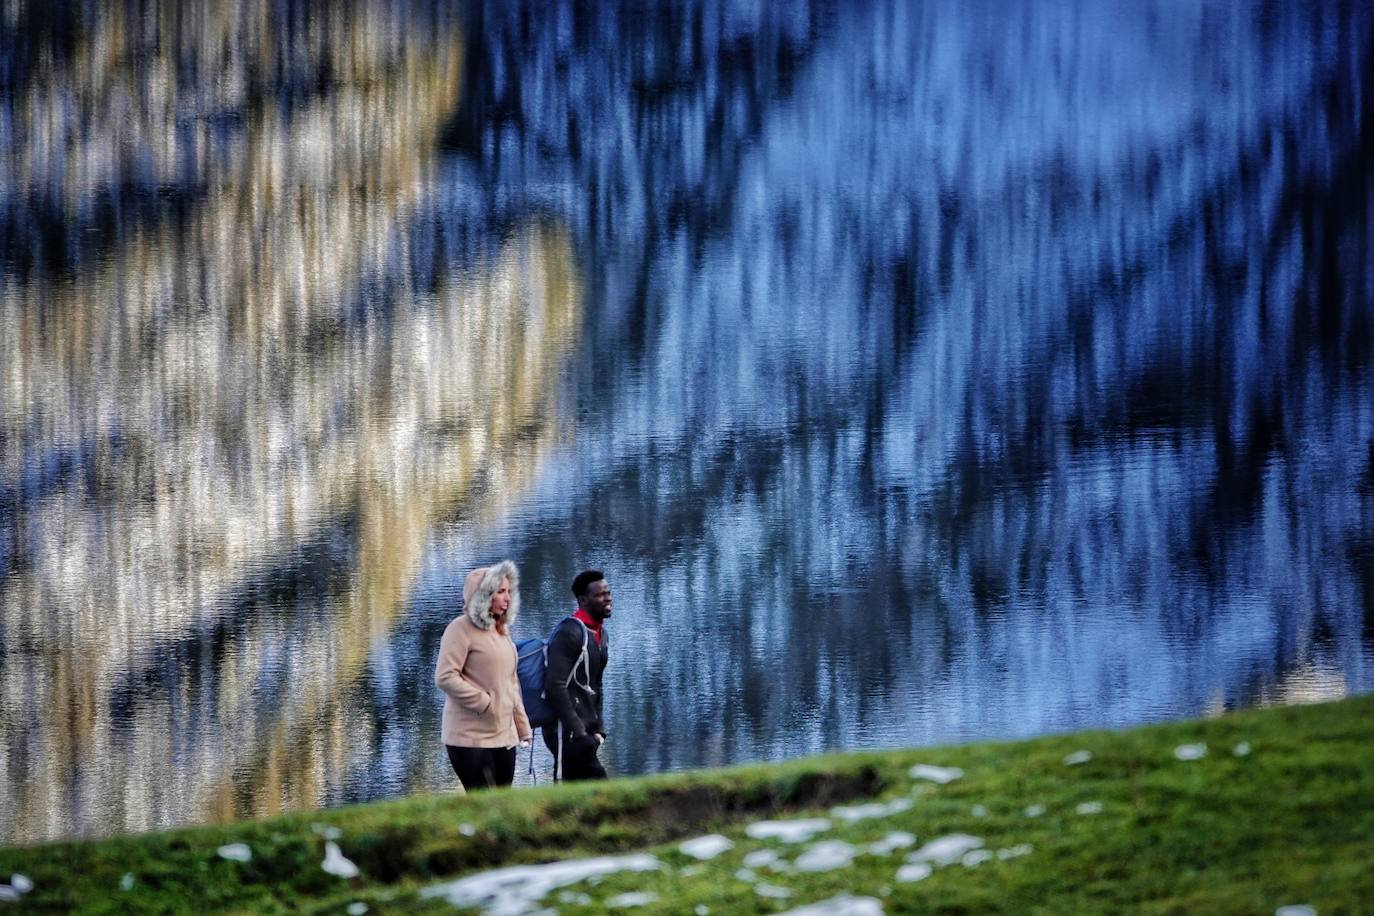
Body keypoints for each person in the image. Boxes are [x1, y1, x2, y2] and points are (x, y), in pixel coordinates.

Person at [435, 560, 532, 791]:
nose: (507, 598)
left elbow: (511, 682)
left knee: (503, 801)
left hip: (504, 736)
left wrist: (522, 726)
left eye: (509, 591)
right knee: (483, 800)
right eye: (500, 592)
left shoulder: (501, 631)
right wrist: (484, 703)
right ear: (483, 595)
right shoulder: (459, 629)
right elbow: (445, 676)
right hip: (469, 737)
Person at [542, 569, 612, 780]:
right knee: (599, 785)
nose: (608, 598)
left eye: (608, 593)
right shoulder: (569, 632)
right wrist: (579, 731)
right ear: (583, 600)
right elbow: (554, 686)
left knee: (576, 790)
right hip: (566, 731)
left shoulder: (601, 633)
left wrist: (598, 728)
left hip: (587, 732)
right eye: (600, 594)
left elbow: (597, 684)